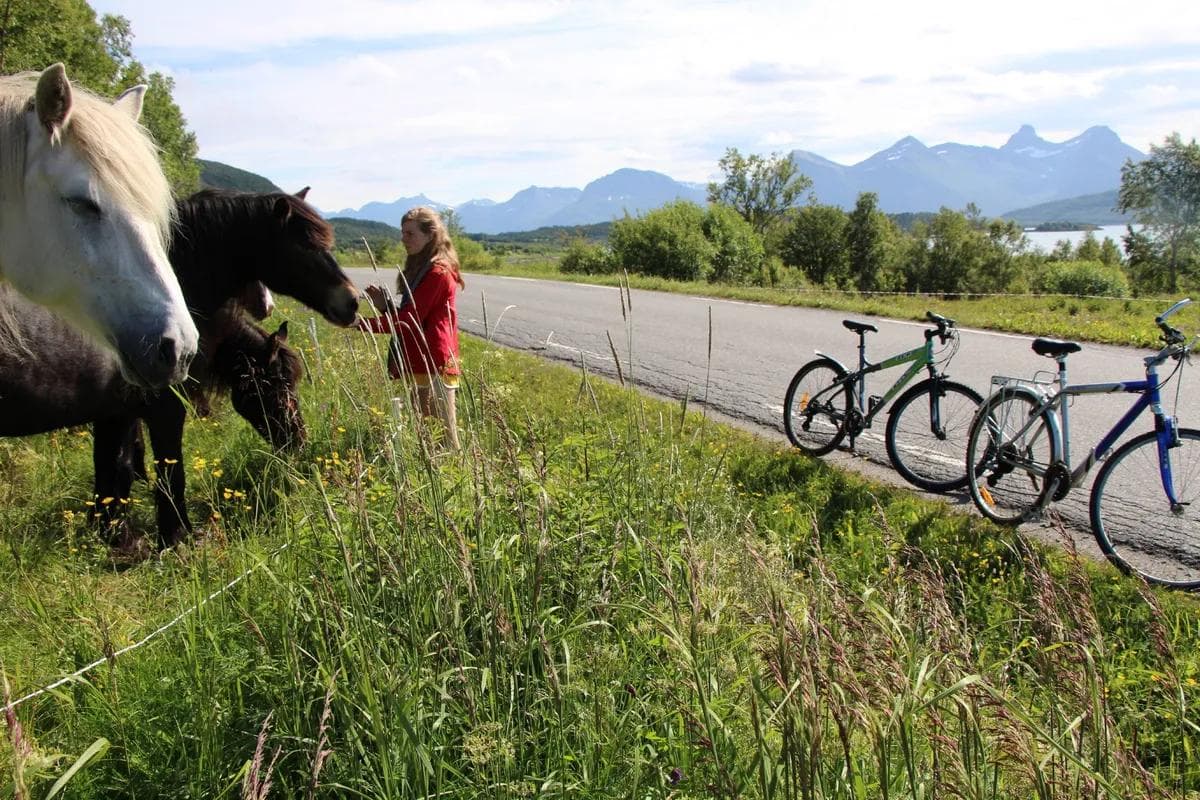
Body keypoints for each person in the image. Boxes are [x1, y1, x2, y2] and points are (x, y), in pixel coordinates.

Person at [356, 206, 464, 449]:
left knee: (444, 438)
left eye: (410, 234)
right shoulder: (421, 269)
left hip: (434, 360)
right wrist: (385, 308)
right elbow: (412, 318)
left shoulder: (438, 272)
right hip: (419, 357)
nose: (403, 239)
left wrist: (360, 323)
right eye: (403, 233)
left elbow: (409, 320)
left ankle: (454, 479)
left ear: (430, 235)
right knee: (426, 434)